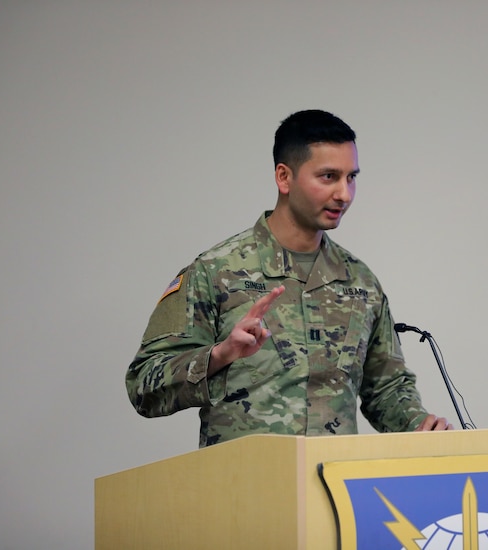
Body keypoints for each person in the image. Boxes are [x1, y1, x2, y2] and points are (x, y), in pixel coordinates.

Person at [126, 109, 451, 447]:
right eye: (328, 177)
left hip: (331, 489)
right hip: (244, 489)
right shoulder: (215, 272)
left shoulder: (360, 283)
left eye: (351, 177)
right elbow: (143, 386)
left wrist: (418, 425)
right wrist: (221, 355)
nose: (344, 194)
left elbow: (385, 389)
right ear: (284, 177)